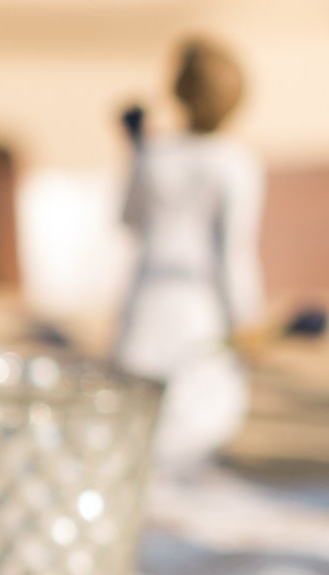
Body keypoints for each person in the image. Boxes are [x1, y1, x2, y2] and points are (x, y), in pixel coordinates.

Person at [114, 37, 266, 466]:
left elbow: (127, 219)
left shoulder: (155, 156)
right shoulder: (236, 164)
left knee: (144, 419)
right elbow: (233, 252)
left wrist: (137, 154)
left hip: (147, 296)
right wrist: (245, 318)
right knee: (192, 420)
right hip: (199, 305)